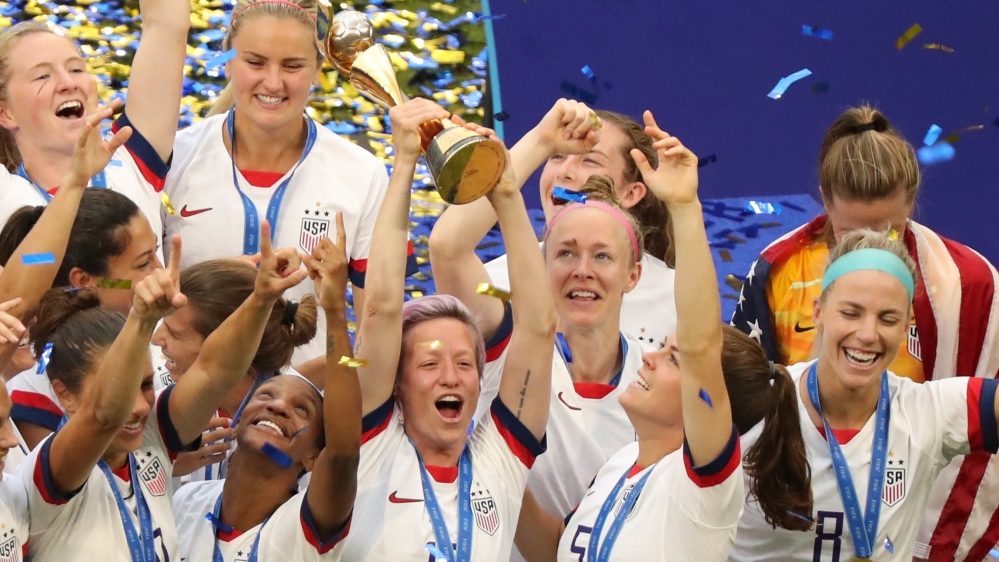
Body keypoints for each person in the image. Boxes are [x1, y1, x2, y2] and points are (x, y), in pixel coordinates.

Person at [512, 119, 811, 562]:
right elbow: (556, 549)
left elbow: (700, 343)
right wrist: (502, 467)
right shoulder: (620, 466)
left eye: (673, 358)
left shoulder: (701, 485)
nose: (650, 357)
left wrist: (684, 206)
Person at [730, 105, 999, 561]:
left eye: (889, 232)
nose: (869, 245)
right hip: (789, 522)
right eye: (850, 232)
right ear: (824, 200)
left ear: (911, 202)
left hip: (902, 521)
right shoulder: (778, 272)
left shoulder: (967, 285)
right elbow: (735, 408)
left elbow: (974, 442)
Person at [431, 112, 673, 562]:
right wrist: (538, 143)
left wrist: (688, 207)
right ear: (540, 265)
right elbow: (447, 247)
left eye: (602, 256)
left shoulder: (656, 376)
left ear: (632, 275)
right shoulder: (506, 339)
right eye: (565, 254)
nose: (583, 270)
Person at [17, 217, 309, 562]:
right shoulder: (54, 470)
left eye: (145, 386)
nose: (140, 407)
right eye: (121, 391)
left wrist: (261, 298)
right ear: (64, 394)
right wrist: (141, 320)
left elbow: (214, 371)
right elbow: (102, 417)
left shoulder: (151, 437)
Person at [338, 98, 554, 562]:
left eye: (464, 364)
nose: (451, 377)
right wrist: (403, 164)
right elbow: (379, 308)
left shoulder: (500, 462)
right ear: (396, 383)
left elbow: (538, 328)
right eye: (429, 364)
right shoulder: (371, 448)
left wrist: (507, 195)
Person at [162, 0, 415, 365]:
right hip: (179, 391)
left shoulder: (362, 174)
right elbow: (128, 295)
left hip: (305, 396)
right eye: (255, 62)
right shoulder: (174, 160)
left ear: (317, 70)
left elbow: (377, 325)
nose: (273, 82)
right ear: (228, 61)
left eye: (292, 66)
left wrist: (301, 385)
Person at [173, 213, 357, 561]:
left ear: (313, 458)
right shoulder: (185, 501)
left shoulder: (307, 526)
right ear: (239, 419)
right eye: (265, 395)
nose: (278, 406)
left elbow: (344, 454)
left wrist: (335, 311)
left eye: (302, 409)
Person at [438, 99, 676, 351]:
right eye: (556, 156)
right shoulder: (494, 282)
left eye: (590, 161)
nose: (564, 172)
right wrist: (540, 141)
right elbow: (447, 247)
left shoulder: (674, 294)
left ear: (631, 193)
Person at [0, 0, 190, 244]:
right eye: (43, 76)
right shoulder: (7, 196)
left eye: (76, 69)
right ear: (5, 113)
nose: (68, 83)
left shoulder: (131, 157)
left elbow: (167, 24)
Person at [152, 257, 318, 481]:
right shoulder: (163, 399)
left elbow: (351, 363)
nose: (156, 339)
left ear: (225, 346)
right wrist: (164, 463)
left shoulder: (296, 432)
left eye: (174, 333)